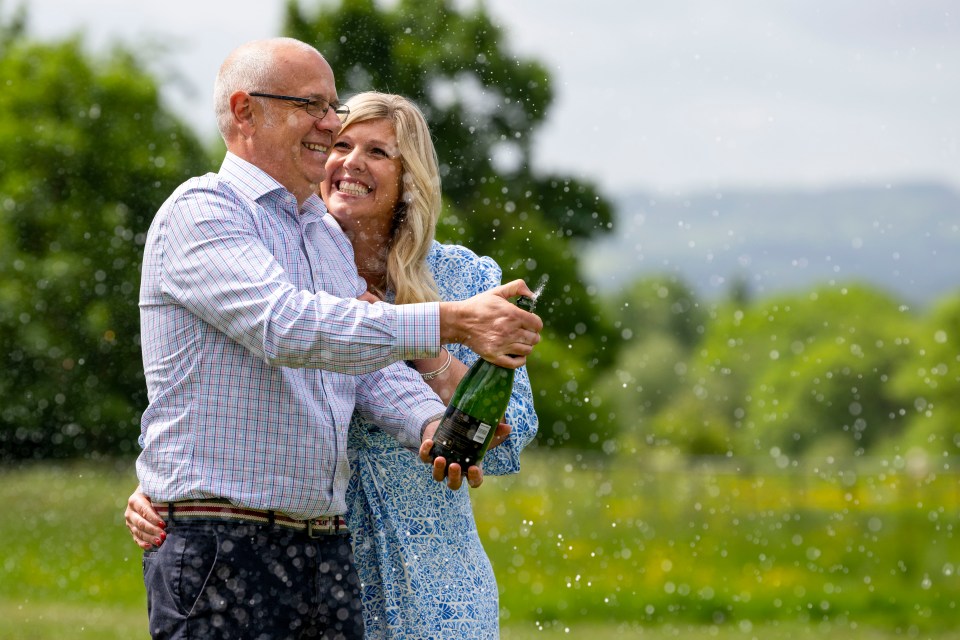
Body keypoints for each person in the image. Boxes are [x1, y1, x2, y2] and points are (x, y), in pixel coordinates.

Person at [134, 38, 541, 640]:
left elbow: (369, 371)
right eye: (315, 108)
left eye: (338, 110)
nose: (331, 126)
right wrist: (448, 322)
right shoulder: (204, 211)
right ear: (245, 112)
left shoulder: (316, 237)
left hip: (322, 550)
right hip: (227, 542)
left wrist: (432, 425)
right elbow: (286, 326)